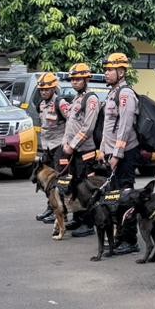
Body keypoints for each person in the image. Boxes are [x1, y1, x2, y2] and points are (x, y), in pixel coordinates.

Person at [100, 52, 142, 254]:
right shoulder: (113, 93)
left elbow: (125, 126)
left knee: (126, 197)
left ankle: (130, 240)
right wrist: (103, 149)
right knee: (114, 197)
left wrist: (117, 154)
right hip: (112, 153)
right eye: (106, 69)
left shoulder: (126, 94)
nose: (106, 73)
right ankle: (120, 236)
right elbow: (108, 126)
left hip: (125, 154)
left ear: (122, 72)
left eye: (110, 70)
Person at [59, 63, 103, 239]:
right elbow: (70, 125)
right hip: (74, 152)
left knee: (87, 188)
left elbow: (88, 127)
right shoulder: (77, 99)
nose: (74, 82)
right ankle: (78, 218)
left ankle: (88, 223)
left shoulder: (91, 99)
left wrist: (72, 145)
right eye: (73, 79)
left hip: (85, 152)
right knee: (75, 186)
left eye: (78, 79)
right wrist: (65, 142)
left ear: (86, 79)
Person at [35, 73, 71, 223]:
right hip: (47, 147)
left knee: (60, 181)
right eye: (41, 90)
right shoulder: (41, 104)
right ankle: (51, 207)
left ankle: (62, 212)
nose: (43, 92)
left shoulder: (60, 103)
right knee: (47, 181)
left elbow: (71, 121)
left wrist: (68, 142)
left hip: (59, 146)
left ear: (53, 88)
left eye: (47, 89)